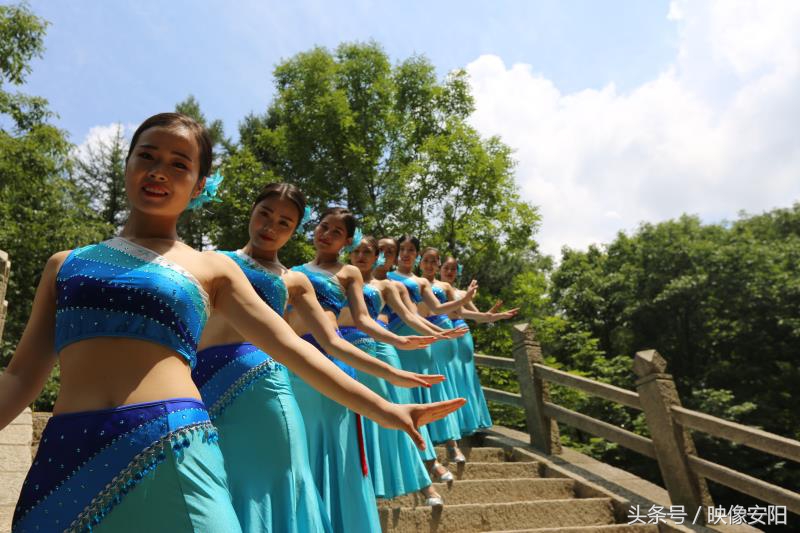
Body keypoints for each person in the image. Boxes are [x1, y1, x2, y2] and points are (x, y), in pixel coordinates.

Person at [2, 113, 463, 533]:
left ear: (199, 185)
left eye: (179, 164)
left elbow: (294, 348)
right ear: (127, 164)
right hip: (69, 453)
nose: (159, 171)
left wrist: (387, 408)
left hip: (173, 444)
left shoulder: (213, 269)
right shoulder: (65, 264)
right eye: (147, 156)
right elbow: (21, 376)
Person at [194, 183, 445, 531]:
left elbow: (333, 342)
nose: (270, 226)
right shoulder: (211, 260)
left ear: (295, 230)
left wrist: (393, 375)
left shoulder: (295, 280)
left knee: (261, 495)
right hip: (197, 390)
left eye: (284, 222)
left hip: (263, 395)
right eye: (265, 213)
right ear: (252, 210)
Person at [343, 236, 446, 504]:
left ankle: (423, 479)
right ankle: (363, 486)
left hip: (380, 345)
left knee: (392, 408)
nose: (363, 256)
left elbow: (410, 315)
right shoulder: (339, 278)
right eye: (357, 250)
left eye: (389, 252)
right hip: (343, 350)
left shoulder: (388, 285)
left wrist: (437, 333)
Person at [387, 235, 476, 464]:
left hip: (423, 340)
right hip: (399, 341)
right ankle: (421, 453)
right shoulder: (387, 278)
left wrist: (464, 299)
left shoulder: (421, 282)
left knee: (435, 392)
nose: (406, 253)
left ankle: (452, 445)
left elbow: (438, 308)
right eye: (402, 249)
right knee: (406, 394)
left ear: (416, 255)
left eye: (411, 250)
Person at [439, 255, 518, 431]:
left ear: (457, 272)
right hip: (441, 333)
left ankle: (471, 420)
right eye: (446, 268)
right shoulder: (433, 289)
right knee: (448, 374)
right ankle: (452, 421)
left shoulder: (462, 294)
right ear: (440, 269)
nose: (449, 272)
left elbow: (479, 317)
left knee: (465, 374)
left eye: (453, 269)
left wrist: (494, 314)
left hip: (461, 333)